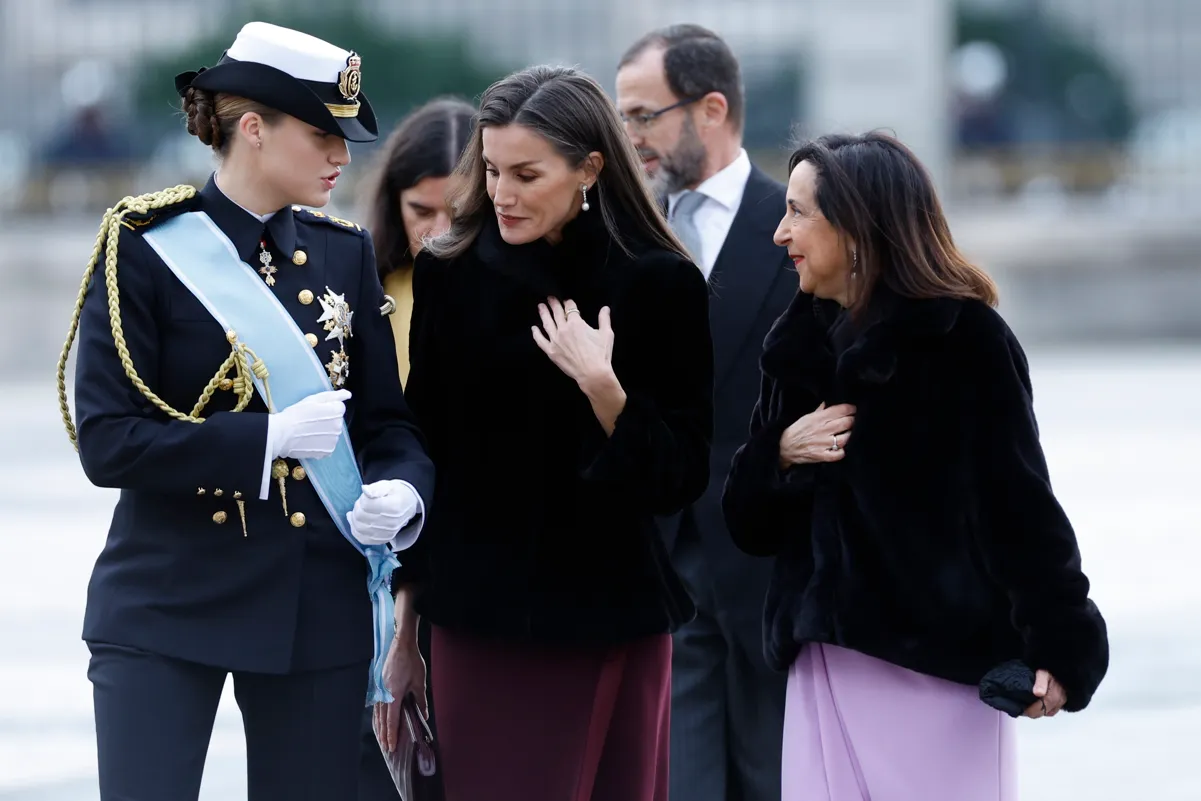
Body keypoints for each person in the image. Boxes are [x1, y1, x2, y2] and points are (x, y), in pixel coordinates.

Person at [55, 21, 435, 801]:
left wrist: (404, 490)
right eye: (322, 133)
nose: (342, 155)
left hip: (311, 602)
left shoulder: (344, 252)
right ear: (253, 128)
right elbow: (107, 441)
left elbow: (389, 426)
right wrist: (262, 441)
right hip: (168, 592)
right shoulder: (145, 244)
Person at [721, 131, 1109, 800]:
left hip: (937, 672)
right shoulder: (795, 347)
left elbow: (1018, 510)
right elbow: (749, 526)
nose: (780, 231)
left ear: (856, 223)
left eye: (798, 211)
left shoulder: (964, 340)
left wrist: (1062, 648)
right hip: (822, 666)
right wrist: (778, 453)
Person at [373, 65, 714, 801]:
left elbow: (682, 474)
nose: (501, 193)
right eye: (491, 170)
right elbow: (424, 455)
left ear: (589, 167)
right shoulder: (449, 273)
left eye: (526, 174)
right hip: (478, 620)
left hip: (612, 612)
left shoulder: (660, 283)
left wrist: (606, 392)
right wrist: (403, 633)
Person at [615, 24, 793, 801]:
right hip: (658, 566)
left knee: (774, 777)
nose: (630, 136)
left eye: (643, 115)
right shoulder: (620, 235)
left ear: (710, 108)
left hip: (772, 563)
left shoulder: (798, 222)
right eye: (622, 118)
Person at [355, 95, 474, 800]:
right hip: (368, 560)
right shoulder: (361, 284)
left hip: (460, 567)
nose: (437, 233)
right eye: (420, 211)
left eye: (455, 213)